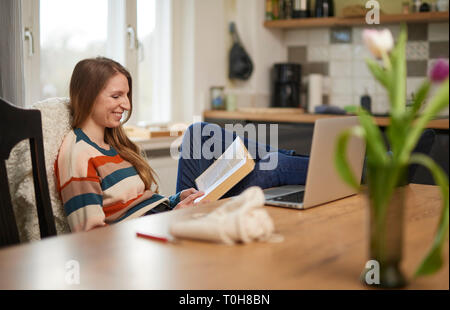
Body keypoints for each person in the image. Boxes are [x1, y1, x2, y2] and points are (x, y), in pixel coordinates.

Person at [55, 57, 309, 233]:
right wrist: (173, 217)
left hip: (168, 214)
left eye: (127, 96)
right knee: (271, 169)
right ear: (88, 96)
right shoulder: (78, 153)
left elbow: (140, 204)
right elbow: (92, 239)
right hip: (162, 228)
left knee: (199, 132)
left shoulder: (111, 142)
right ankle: (324, 163)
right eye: (116, 96)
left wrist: (178, 199)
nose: (127, 105)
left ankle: (306, 160)